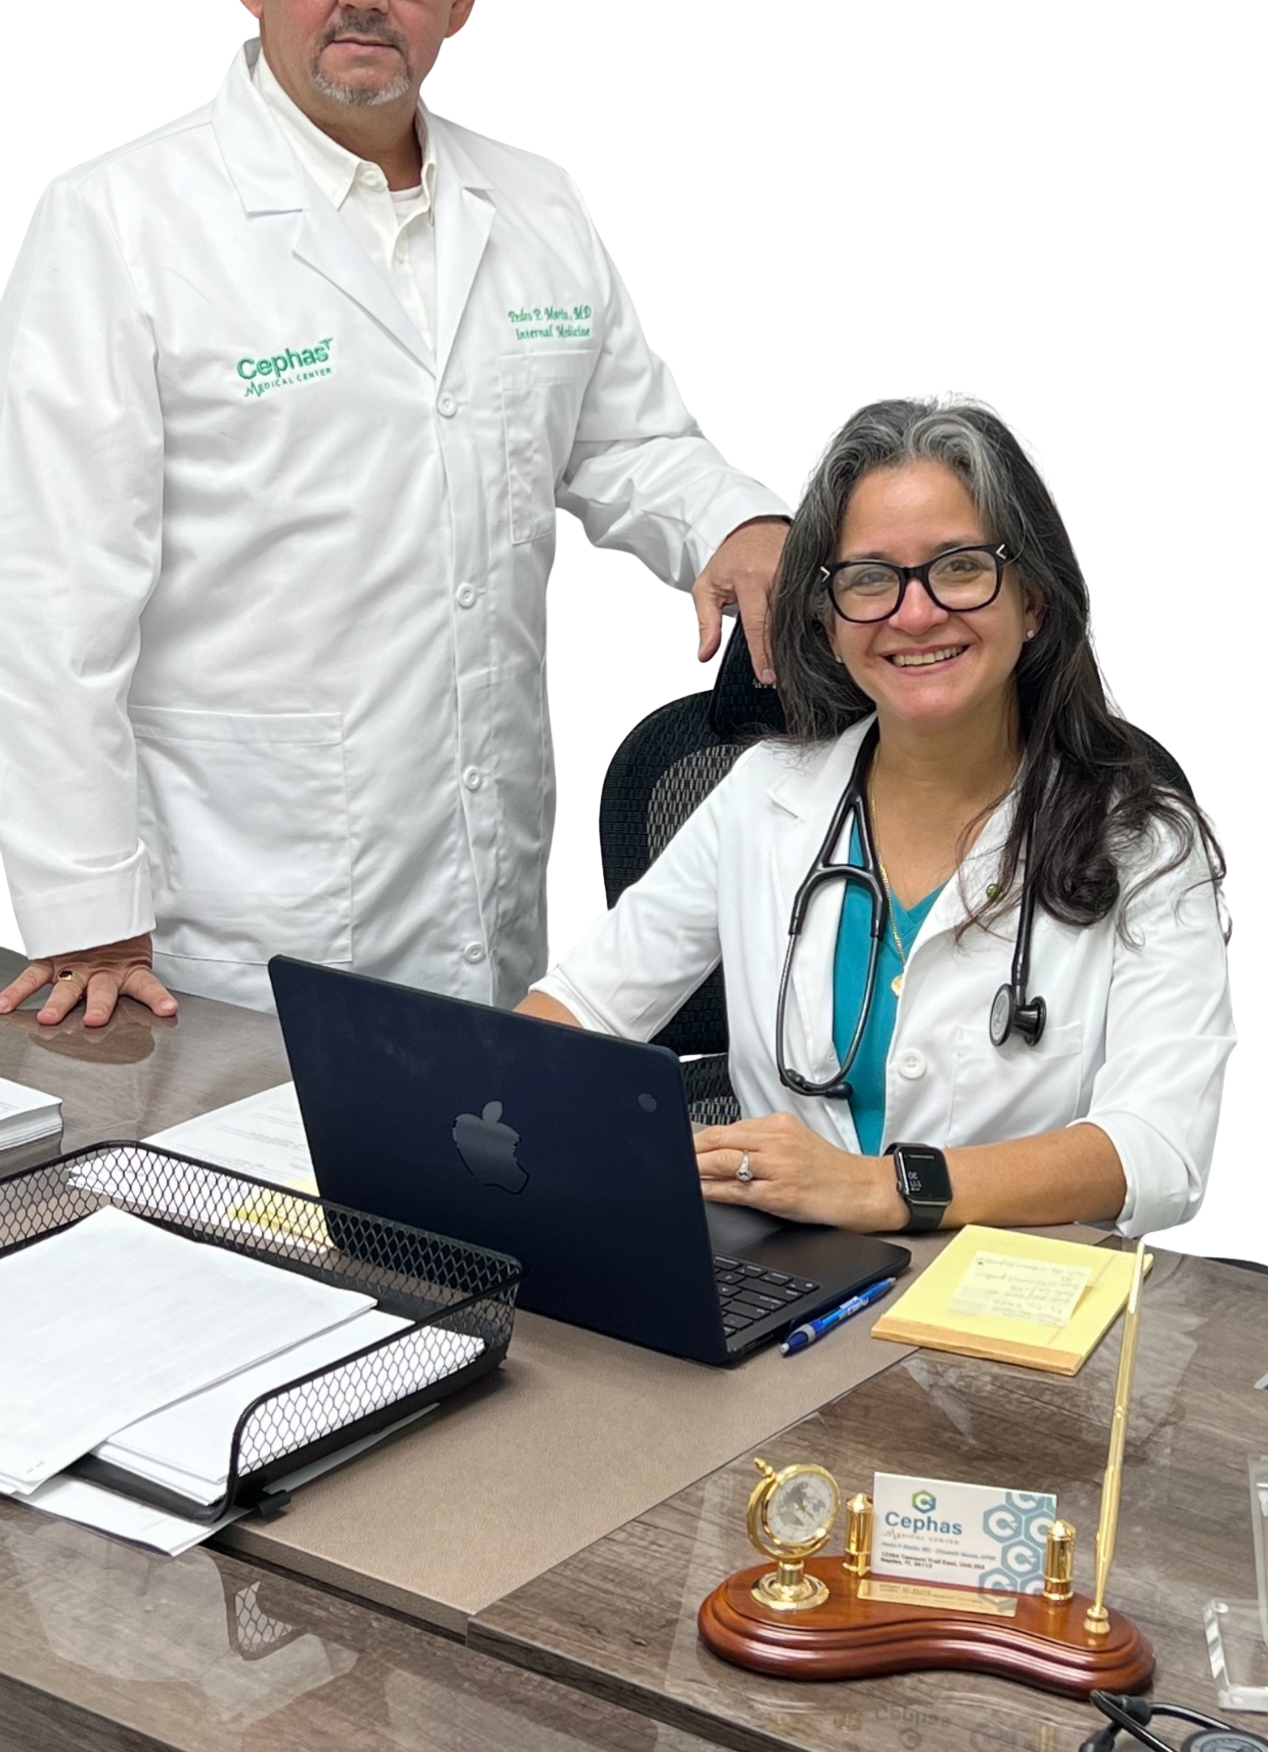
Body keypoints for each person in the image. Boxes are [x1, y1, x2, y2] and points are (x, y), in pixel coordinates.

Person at [0, 0, 789, 1032]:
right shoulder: (116, 226)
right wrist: (87, 902)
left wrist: (736, 520)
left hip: (490, 907)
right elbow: (49, 605)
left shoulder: (536, 207)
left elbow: (630, 440)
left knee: (473, 1147)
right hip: (227, 933)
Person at [520, 399, 1235, 1239]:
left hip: (1012, 1291)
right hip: (789, 1284)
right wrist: (479, 1109)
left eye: (959, 567)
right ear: (827, 621)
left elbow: (1157, 1152)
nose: (915, 613)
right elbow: (582, 1008)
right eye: (869, 579)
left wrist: (883, 1188)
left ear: (1034, 600)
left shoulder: (1144, 843)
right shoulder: (763, 796)